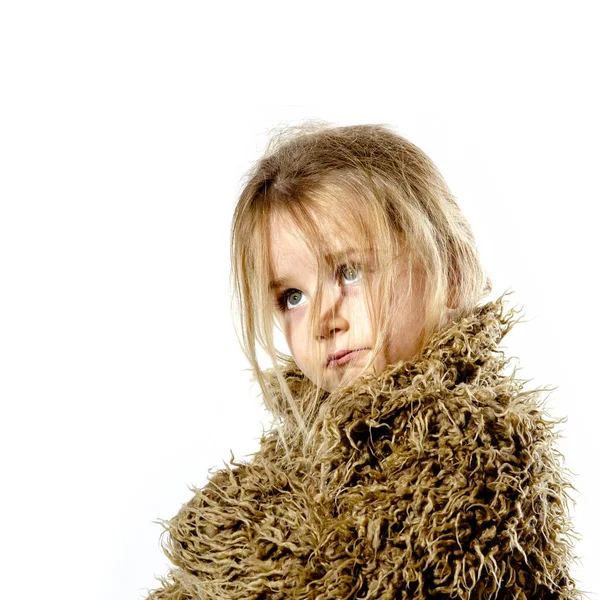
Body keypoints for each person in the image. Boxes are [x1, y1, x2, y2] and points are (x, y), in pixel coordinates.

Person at [144, 122, 584, 599]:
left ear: (452, 273)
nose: (322, 321)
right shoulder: (301, 458)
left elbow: (360, 583)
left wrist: (214, 541)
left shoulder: (480, 447)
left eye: (349, 272)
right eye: (292, 297)